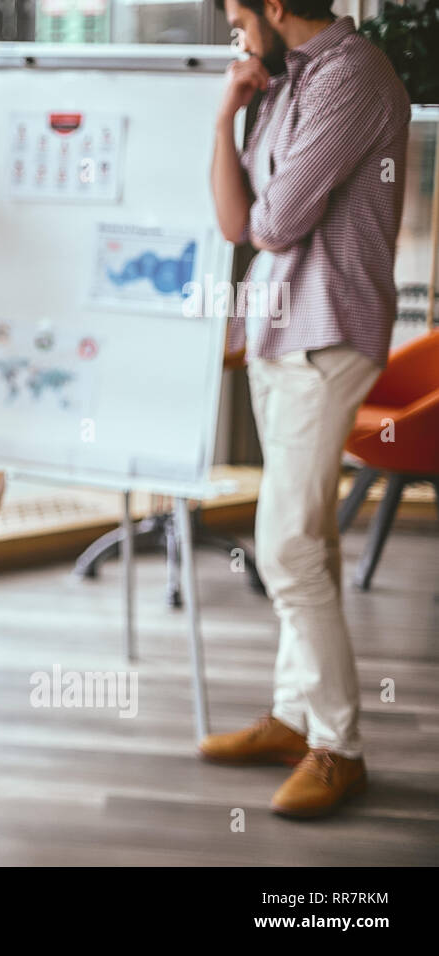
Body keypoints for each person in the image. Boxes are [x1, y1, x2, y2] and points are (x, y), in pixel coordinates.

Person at [204, 0, 409, 817]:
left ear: (273, 7)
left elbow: (278, 220)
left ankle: (340, 746)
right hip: (280, 333)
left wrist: (259, 213)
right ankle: (294, 717)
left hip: (330, 333)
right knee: (310, 536)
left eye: (234, 14)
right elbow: (237, 222)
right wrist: (229, 109)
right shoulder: (284, 85)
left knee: (285, 546)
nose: (233, 29)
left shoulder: (353, 74)